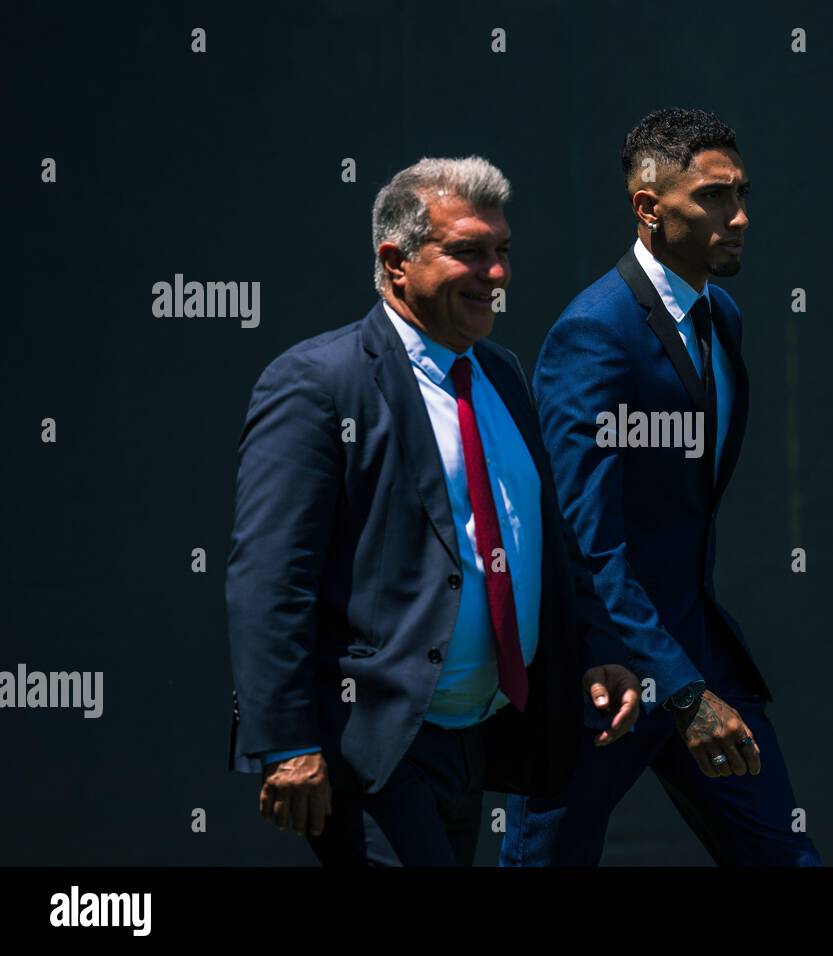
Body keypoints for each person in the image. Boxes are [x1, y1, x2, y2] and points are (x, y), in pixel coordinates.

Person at [225, 156, 640, 866]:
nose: (498, 274)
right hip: (375, 745)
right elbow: (269, 578)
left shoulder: (501, 371)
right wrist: (288, 743)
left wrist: (598, 650)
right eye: (469, 253)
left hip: (478, 740)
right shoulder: (318, 383)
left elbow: (542, 534)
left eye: (502, 252)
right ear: (396, 262)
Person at [500, 109, 821, 866]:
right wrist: (677, 690)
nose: (738, 216)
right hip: (604, 677)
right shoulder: (595, 335)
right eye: (712, 197)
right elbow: (587, 539)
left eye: (741, 193)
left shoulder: (723, 316)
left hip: (700, 654)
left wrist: (693, 677)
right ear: (649, 208)